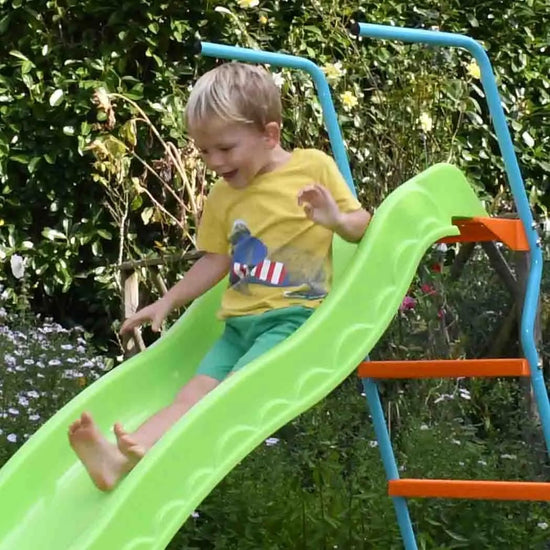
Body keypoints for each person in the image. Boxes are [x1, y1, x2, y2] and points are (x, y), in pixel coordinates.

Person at [68, 62, 371, 491]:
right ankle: (117, 462)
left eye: (225, 148)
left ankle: (152, 459)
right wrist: (168, 300)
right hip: (237, 327)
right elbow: (215, 260)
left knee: (223, 398)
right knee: (191, 395)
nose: (214, 162)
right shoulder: (223, 196)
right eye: (205, 151)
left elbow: (362, 224)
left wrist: (337, 220)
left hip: (290, 320)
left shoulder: (312, 168)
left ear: (270, 135)